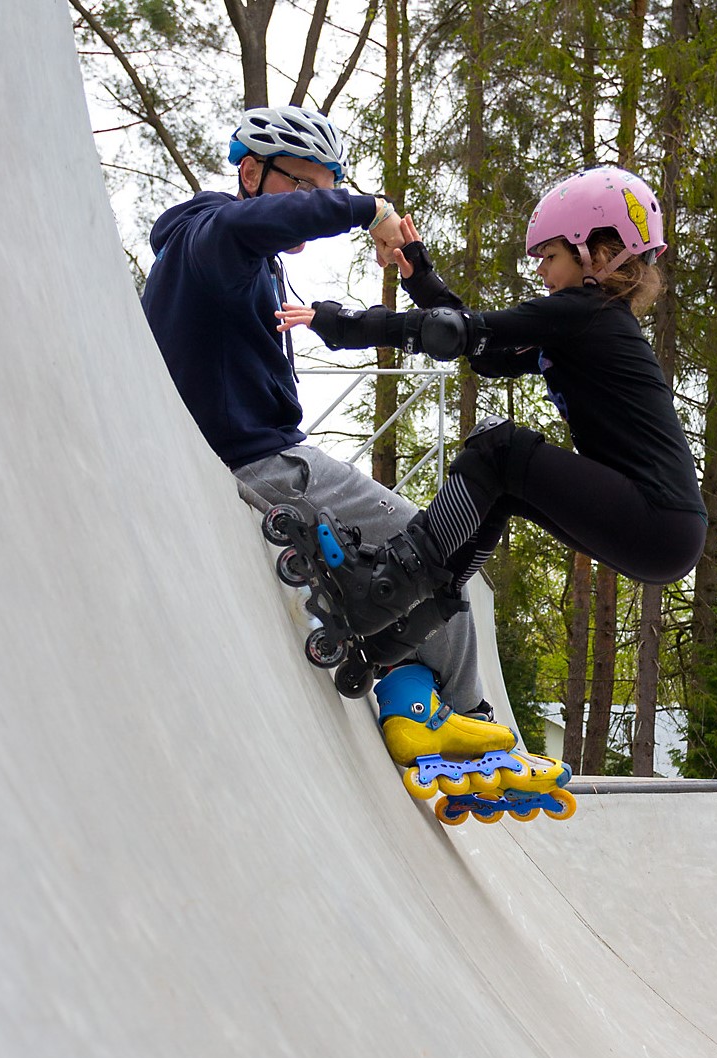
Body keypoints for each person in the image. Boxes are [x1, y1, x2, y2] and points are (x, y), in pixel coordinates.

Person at [140, 104, 547, 786]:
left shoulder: (248, 260)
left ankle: (408, 688)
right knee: (435, 538)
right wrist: (367, 208)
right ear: (249, 171)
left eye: (323, 187)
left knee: (385, 573)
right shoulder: (210, 236)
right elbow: (256, 221)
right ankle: (466, 716)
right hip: (259, 455)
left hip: (258, 449)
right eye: (300, 185)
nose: (311, 204)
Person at [274, 166, 706, 639]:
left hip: (657, 518)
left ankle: (383, 588)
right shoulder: (589, 324)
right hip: (667, 534)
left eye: (551, 254)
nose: (540, 269)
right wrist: (421, 279)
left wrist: (335, 322)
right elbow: (485, 352)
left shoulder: (586, 313)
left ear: (596, 253)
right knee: (503, 487)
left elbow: (453, 333)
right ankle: (405, 628)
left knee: (501, 450)